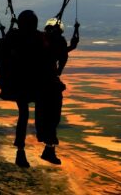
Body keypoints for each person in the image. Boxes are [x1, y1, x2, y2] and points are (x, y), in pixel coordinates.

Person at [5, 10, 46, 168]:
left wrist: (11, 27)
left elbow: (5, 46)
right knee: (41, 110)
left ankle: (20, 151)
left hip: (20, 84)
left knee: (24, 115)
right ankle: (47, 143)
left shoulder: (14, 36)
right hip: (34, 84)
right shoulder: (40, 37)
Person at [36, 18, 79, 165]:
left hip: (39, 85)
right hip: (48, 85)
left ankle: (49, 148)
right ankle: (49, 149)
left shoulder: (39, 40)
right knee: (52, 115)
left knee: (44, 115)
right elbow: (60, 56)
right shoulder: (50, 44)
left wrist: (70, 46)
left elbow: (59, 52)